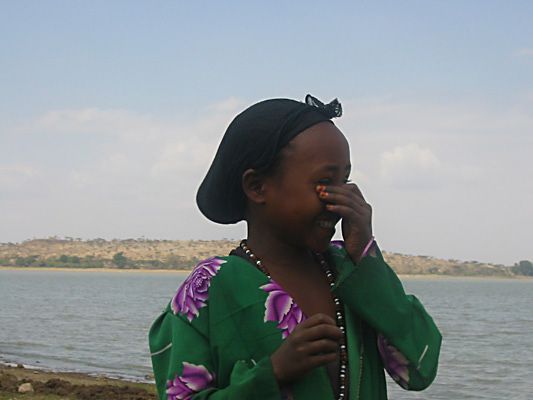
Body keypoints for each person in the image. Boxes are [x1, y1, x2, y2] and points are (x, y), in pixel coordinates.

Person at [149, 95, 442, 400]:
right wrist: (272, 374)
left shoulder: (353, 271)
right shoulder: (207, 289)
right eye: (325, 182)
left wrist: (365, 256)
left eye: (345, 180)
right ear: (257, 187)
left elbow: (419, 371)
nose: (341, 199)